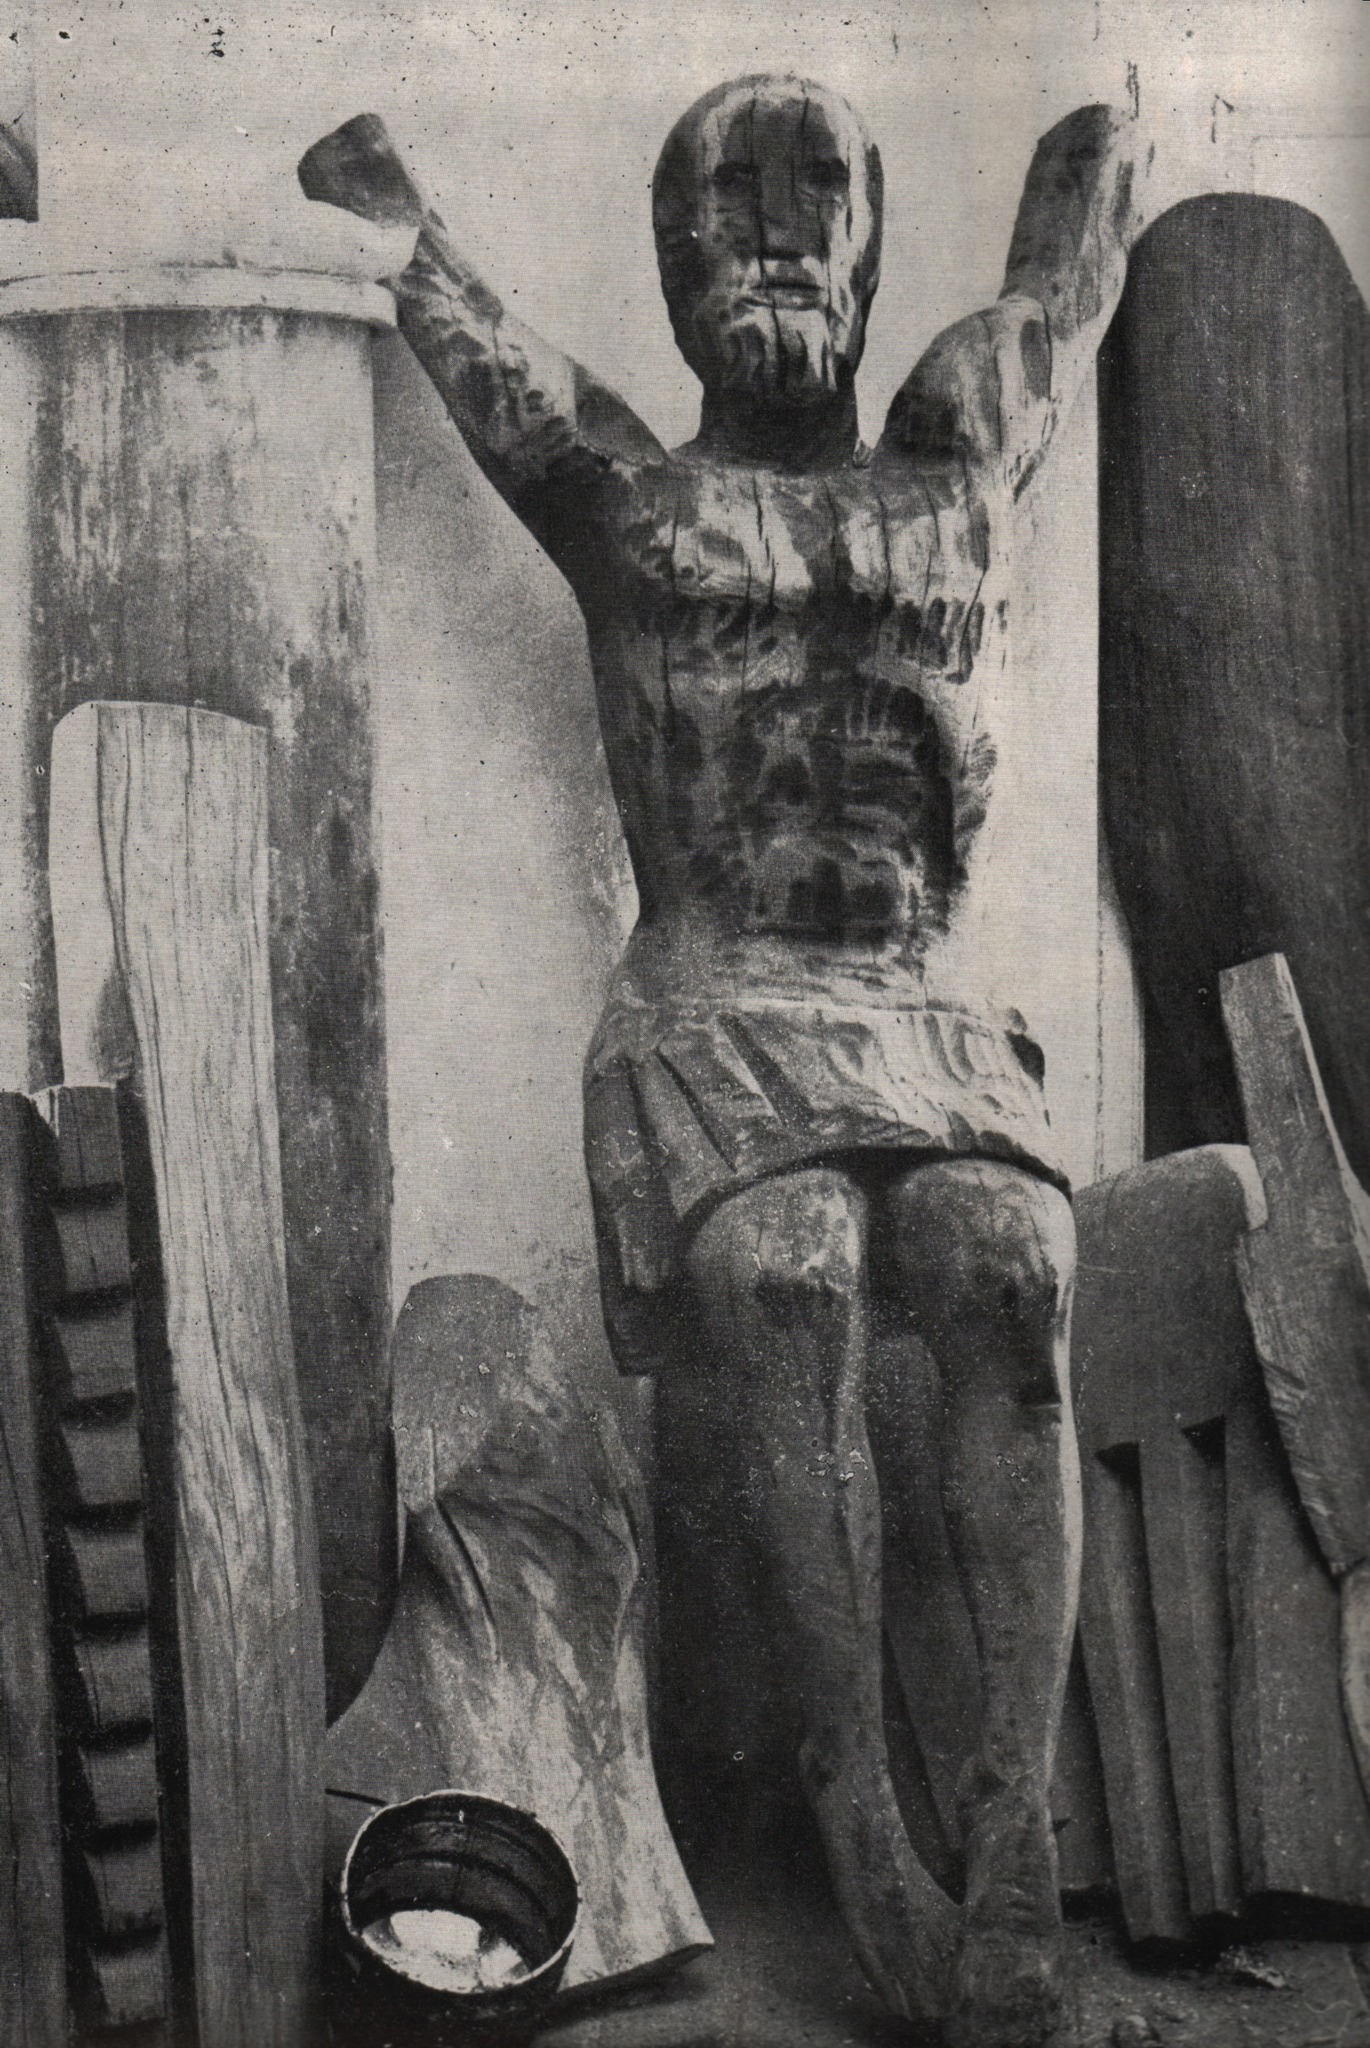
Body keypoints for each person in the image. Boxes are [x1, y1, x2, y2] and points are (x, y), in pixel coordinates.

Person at [301, 76, 1152, 2045]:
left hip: (919, 998)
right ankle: (866, 1840)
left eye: (810, 188)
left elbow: (1072, 264)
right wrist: (381, 201)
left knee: (1006, 1261)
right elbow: (456, 315)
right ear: (669, 261)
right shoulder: (634, 495)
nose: (767, 229)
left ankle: (1005, 1840)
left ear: (874, 236)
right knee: (788, 1271)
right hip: (714, 1001)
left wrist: (1100, 142)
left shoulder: (960, 450)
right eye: (720, 199)